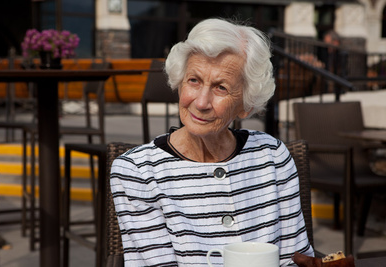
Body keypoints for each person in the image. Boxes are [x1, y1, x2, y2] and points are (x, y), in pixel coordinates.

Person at [110, 18, 314, 266]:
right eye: (194, 80)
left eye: (221, 87)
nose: (201, 102)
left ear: (245, 105)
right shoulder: (138, 172)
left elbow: (296, 260)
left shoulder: (272, 156)